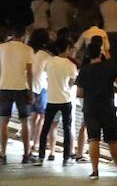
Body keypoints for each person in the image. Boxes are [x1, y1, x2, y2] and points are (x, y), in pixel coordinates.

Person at [76, 38, 117, 178]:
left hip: (90, 108)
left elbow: (79, 93)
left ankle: (95, 171)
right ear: (100, 53)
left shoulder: (84, 70)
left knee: (93, 139)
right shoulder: (109, 67)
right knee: (112, 140)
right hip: (108, 108)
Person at [38, 38, 78, 166]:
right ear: (66, 49)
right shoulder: (71, 65)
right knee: (67, 128)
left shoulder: (49, 62)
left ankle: (41, 156)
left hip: (51, 99)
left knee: (46, 128)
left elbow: (46, 74)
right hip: (65, 100)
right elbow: (72, 82)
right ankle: (66, 158)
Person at [1, 25, 36, 164]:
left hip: (3, 87)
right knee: (24, 121)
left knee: (3, 122)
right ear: (23, 36)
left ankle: (2, 154)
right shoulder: (28, 50)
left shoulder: (1, 48)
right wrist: (31, 91)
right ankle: (26, 154)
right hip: (21, 88)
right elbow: (29, 72)